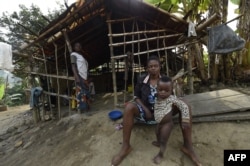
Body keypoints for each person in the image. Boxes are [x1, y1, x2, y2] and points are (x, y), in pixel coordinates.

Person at [111, 55, 201, 166]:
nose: (153, 68)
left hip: (163, 114)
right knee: (129, 107)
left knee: (185, 103)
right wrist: (145, 109)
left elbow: (171, 97)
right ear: (147, 68)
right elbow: (136, 97)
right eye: (150, 66)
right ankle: (126, 147)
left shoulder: (165, 80)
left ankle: (188, 146)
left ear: (159, 67)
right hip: (146, 113)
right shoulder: (141, 80)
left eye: (156, 66)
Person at [152, 76, 201, 165]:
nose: (163, 92)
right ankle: (158, 142)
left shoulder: (171, 98)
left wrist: (185, 120)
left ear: (171, 91)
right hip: (159, 122)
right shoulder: (156, 97)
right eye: (160, 90)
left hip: (167, 124)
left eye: (166, 91)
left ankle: (161, 154)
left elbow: (184, 106)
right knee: (157, 133)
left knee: (164, 139)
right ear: (157, 88)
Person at [70, 42, 90, 112]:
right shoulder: (73, 55)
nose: (79, 47)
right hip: (79, 76)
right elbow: (73, 66)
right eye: (77, 46)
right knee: (81, 93)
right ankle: (82, 109)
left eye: (80, 46)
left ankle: (86, 107)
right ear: (74, 47)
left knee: (85, 92)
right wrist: (77, 77)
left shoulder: (81, 56)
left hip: (84, 77)